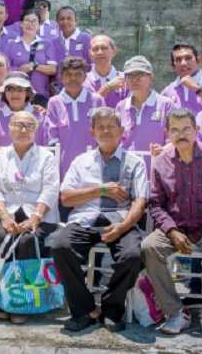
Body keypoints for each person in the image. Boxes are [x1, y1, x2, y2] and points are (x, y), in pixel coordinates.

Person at [141, 107, 202, 339]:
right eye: (175, 130)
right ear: (167, 132)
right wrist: (172, 231)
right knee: (149, 247)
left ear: (197, 130)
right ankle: (175, 312)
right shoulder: (161, 162)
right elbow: (155, 204)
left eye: (186, 129)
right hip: (177, 226)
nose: (181, 134)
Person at [54, 107, 148, 333]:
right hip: (85, 219)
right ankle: (85, 309)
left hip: (120, 220)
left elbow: (140, 201)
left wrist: (123, 227)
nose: (106, 131)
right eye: (101, 127)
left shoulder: (135, 162)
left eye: (111, 126)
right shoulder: (81, 161)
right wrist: (101, 190)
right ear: (92, 132)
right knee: (60, 247)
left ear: (121, 131)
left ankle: (112, 308)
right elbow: (66, 198)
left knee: (133, 256)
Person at [0, 110, 59, 325]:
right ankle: (2, 298)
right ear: (9, 128)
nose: (24, 130)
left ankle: (24, 300)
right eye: (19, 125)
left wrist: (35, 217)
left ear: (36, 130)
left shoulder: (46, 156)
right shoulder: (0, 156)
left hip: (39, 213)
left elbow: (50, 190)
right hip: (7, 210)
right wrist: (4, 216)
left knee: (28, 238)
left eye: (29, 125)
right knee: (1, 234)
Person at [45, 56, 107, 181]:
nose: (73, 78)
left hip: (93, 166)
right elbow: (52, 138)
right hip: (63, 167)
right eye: (68, 74)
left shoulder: (97, 100)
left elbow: (104, 134)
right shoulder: (54, 102)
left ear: (85, 77)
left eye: (78, 74)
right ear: (61, 77)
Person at [115, 56, 177, 154]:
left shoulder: (166, 104)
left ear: (150, 77)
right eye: (130, 75)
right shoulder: (121, 106)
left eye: (140, 74)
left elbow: (175, 138)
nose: (134, 79)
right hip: (126, 166)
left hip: (156, 165)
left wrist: (163, 149)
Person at [0, 71, 41, 160]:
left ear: (27, 93)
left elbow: (47, 148)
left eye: (20, 89)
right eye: (10, 89)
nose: (15, 94)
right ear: (4, 93)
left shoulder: (40, 116)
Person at [46, 7, 93, 94]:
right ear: (57, 22)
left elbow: (93, 65)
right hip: (61, 92)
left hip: (83, 89)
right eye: (62, 19)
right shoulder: (53, 42)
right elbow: (52, 68)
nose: (65, 22)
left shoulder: (86, 39)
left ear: (76, 20)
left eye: (69, 18)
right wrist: (52, 82)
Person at [9, 9, 53, 100]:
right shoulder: (11, 45)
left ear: (39, 26)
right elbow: (5, 69)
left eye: (34, 21)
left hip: (41, 96)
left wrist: (34, 66)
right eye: (27, 20)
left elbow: (53, 69)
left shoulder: (47, 44)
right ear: (21, 24)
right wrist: (18, 70)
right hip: (17, 95)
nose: (30, 24)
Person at [160, 42, 202, 113]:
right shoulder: (167, 91)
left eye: (188, 58)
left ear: (198, 60)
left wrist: (195, 87)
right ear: (172, 65)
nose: (183, 63)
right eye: (178, 59)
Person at [85, 35, 126, 108]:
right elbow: (84, 109)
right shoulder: (83, 81)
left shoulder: (126, 79)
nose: (100, 52)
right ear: (90, 54)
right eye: (95, 49)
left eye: (104, 48)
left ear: (114, 51)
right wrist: (107, 88)